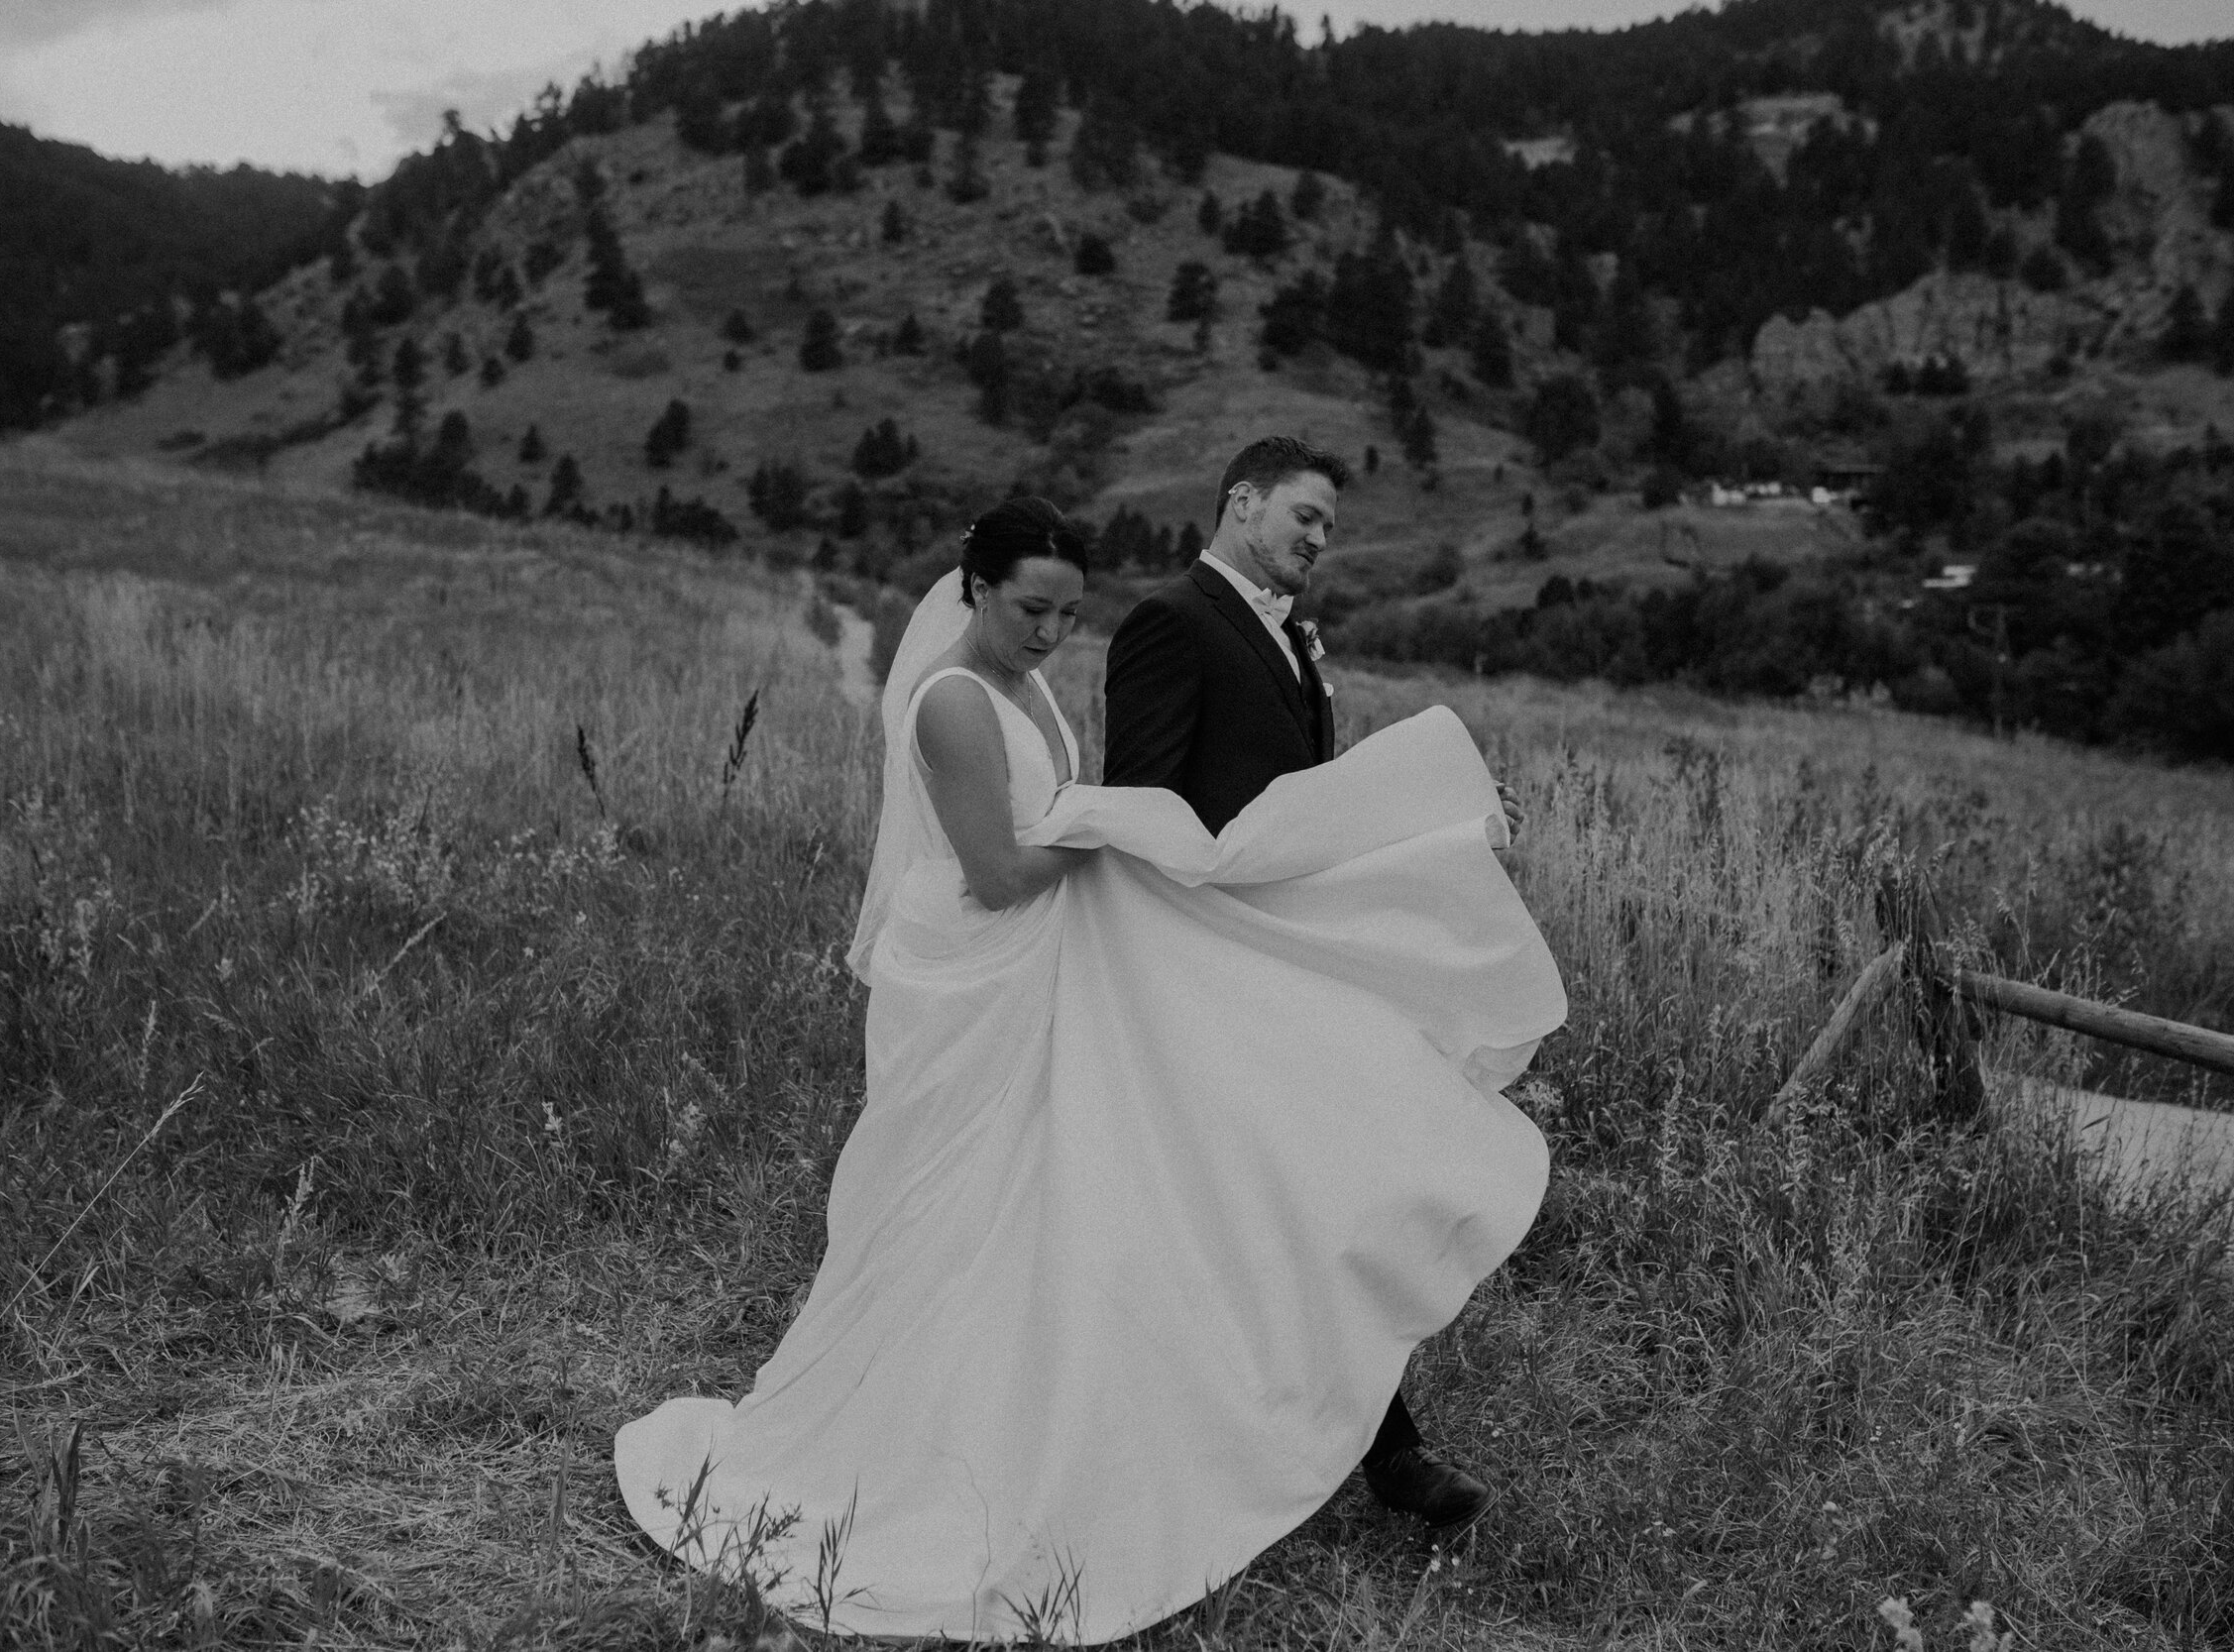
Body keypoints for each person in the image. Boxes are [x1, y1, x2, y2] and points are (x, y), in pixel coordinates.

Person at [615, 495, 1565, 1643]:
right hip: (985, 976)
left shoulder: (1026, 690)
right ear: (973, 588)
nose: (1049, 634)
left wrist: (1122, 824)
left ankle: (1075, 1423)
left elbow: (1055, 817)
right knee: (968, 1212)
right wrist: (1117, 827)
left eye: (1067, 615)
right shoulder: (954, 702)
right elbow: (1002, 871)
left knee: (1065, 1207)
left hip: (1047, 965)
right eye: (1030, 609)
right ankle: (933, 1449)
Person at [1103, 435, 1508, 1530]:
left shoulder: (1286, 637)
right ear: (1241, 503)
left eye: (1329, 526)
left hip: (1281, 962)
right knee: (1265, 1205)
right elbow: (1141, 807)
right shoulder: (1170, 621)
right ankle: (1371, 1451)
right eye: (1307, 517)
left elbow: (1297, 805)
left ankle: (1371, 1443)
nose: (1321, 542)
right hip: (1200, 969)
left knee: (1317, 1195)